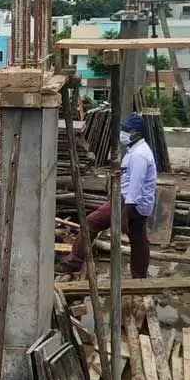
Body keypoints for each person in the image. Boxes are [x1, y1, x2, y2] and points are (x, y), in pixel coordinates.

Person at [57, 114, 157, 279]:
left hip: (129, 203)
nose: (123, 132)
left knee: (91, 222)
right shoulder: (136, 150)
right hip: (137, 204)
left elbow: (135, 187)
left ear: (137, 133)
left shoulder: (139, 155)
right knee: (139, 241)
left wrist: (124, 214)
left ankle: (74, 261)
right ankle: (139, 277)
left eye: (126, 130)